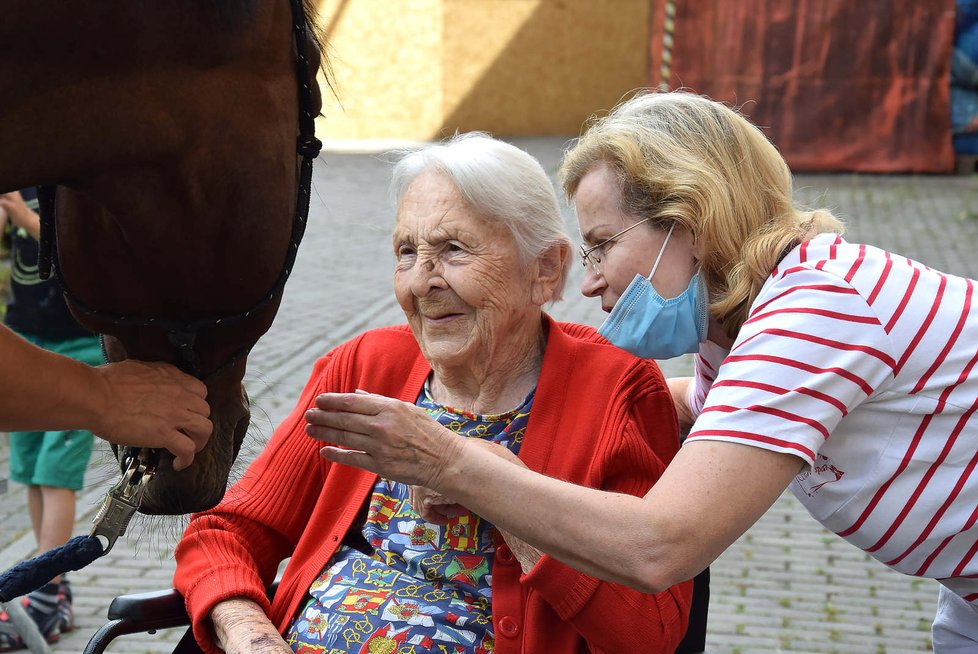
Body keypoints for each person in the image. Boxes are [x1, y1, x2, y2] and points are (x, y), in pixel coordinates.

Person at [307, 92, 978, 652]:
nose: (590, 283)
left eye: (600, 247)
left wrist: (456, 461)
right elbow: (702, 404)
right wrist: (549, 398)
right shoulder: (746, 324)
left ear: (690, 220)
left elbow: (660, 546)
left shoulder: (815, 314)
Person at [173, 133, 693, 654]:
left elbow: (647, 634)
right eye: (406, 252)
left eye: (452, 250)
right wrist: (252, 637)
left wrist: (491, 483)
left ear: (545, 269)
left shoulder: (617, 393)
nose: (421, 283)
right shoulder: (365, 366)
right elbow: (227, 532)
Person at [0, 189, 211, 650]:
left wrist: (102, 394)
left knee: (54, 476)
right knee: (31, 476)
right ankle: (47, 569)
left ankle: (48, 588)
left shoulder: (64, 190)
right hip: (26, 339)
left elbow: (70, 256)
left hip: (73, 351)